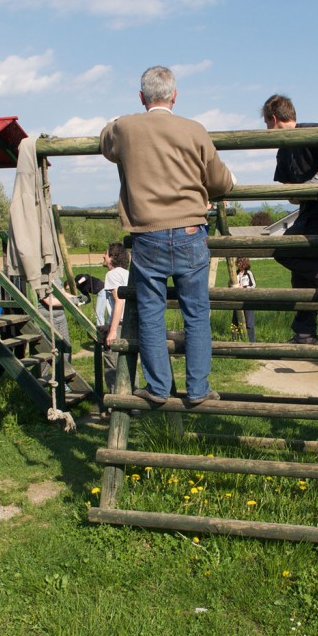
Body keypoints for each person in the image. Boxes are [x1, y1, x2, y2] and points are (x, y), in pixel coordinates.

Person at [100, 65, 235, 405]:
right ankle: (199, 389)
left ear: (141, 97)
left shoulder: (126, 127)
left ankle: (158, 388)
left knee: (150, 314)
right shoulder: (194, 129)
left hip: (148, 235)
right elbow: (220, 182)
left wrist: (114, 121)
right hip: (190, 230)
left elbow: (105, 143)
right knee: (196, 315)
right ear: (175, 95)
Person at [261, 94, 318, 344]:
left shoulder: (310, 130)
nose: (267, 130)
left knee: (286, 251)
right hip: (310, 211)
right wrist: (298, 194)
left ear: (273, 119)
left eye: (267, 124)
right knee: (300, 270)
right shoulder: (283, 150)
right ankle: (304, 333)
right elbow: (289, 190)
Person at [101, 243, 131, 389]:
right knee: (128, 363)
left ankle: (115, 399)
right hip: (130, 324)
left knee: (113, 364)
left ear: (112, 257)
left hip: (119, 325)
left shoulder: (112, 275)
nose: (103, 256)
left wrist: (112, 330)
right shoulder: (127, 273)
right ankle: (132, 398)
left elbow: (119, 301)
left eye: (106, 253)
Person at [234, 257, 257, 343]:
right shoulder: (235, 273)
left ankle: (252, 341)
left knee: (249, 322)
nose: (238, 264)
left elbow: (254, 285)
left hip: (247, 300)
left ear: (244, 263)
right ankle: (235, 340)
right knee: (235, 322)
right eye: (238, 262)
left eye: (240, 262)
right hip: (237, 300)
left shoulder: (248, 273)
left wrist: (244, 288)